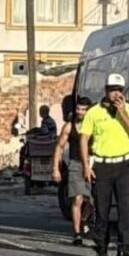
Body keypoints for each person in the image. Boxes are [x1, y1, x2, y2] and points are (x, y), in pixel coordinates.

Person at [80, 74, 129, 256]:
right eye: (112, 90)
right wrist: (85, 166)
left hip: (124, 165)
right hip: (102, 166)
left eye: (119, 90)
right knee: (102, 210)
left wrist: (122, 112)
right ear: (106, 90)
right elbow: (84, 139)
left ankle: (124, 249)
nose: (116, 94)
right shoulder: (94, 112)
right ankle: (102, 247)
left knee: (126, 210)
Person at [53, 97, 94, 245]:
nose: (80, 112)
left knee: (94, 201)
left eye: (83, 109)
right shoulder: (69, 126)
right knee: (77, 199)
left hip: (94, 164)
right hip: (76, 164)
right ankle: (77, 233)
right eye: (78, 109)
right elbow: (59, 146)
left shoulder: (95, 125)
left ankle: (83, 220)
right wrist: (55, 169)